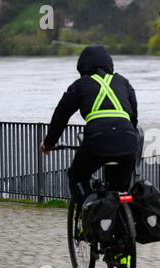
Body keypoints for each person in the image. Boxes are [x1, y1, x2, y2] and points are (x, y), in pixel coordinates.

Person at [40, 45, 139, 202]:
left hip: (97, 140)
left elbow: (60, 116)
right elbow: (133, 116)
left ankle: (89, 211)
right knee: (120, 192)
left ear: (82, 67)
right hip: (127, 140)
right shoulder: (123, 82)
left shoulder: (80, 85)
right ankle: (123, 222)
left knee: (77, 176)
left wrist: (48, 143)